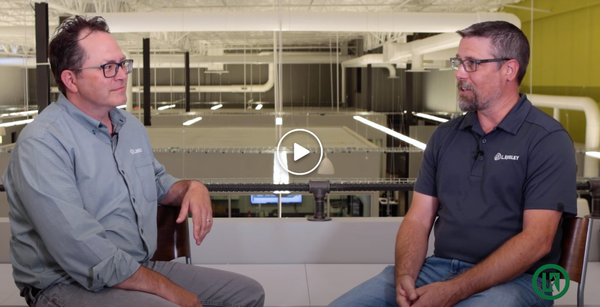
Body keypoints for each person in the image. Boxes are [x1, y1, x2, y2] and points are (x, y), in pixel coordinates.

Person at [3, 15, 264, 307]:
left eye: (123, 64)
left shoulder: (129, 127)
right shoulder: (42, 144)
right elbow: (81, 249)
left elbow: (155, 181)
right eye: (108, 67)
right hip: (68, 283)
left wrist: (191, 187)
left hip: (137, 266)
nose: (122, 75)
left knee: (248, 294)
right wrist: (167, 290)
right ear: (70, 79)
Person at [328, 20, 577, 307]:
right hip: (436, 269)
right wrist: (405, 276)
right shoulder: (445, 136)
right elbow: (419, 219)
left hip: (518, 280)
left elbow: (537, 240)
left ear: (509, 69)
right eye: (458, 62)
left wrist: (454, 291)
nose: (459, 73)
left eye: (472, 63)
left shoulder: (547, 140)